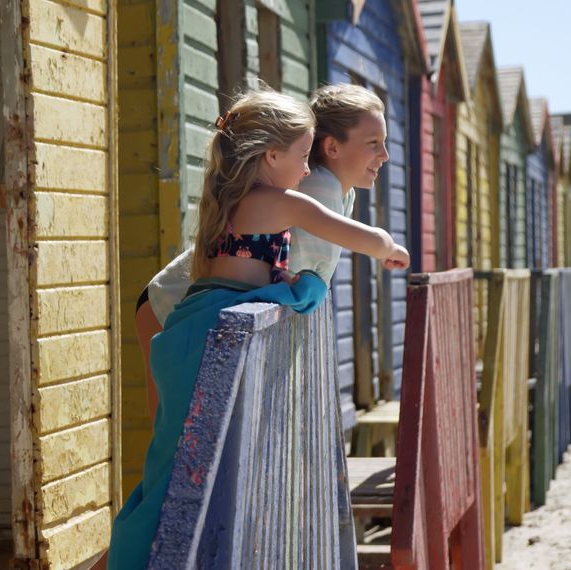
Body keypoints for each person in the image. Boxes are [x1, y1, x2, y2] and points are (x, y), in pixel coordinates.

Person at [107, 87, 408, 569]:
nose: (308, 170)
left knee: (172, 462)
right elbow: (353, 239)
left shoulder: (233, 198)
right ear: (273, 155)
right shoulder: (293, 200)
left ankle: (137, 554)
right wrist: (390, 247)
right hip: (206, 329)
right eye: (302, 156)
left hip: (187, 324)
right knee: (185, 469)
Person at [134, 83, 398, 421]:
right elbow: (299, 282)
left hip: (196, 309)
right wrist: (384, 247)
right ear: (331, 147)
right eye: (374, 143)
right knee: (180, 435)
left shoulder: (333, 190)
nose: (385, 155)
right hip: (171, 307)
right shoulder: (317, 191)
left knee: (179, 438)